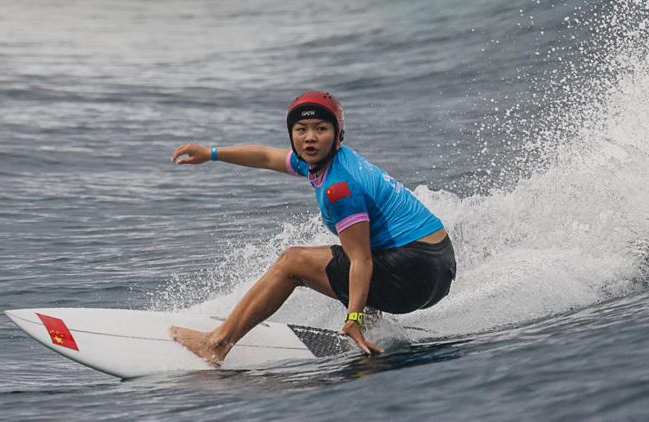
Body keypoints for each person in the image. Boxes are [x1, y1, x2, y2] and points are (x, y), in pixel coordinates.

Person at [169, 91, 456, 366]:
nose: (310, 138)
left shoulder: (339, 186)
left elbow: (361, 260)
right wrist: (211, 153)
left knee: (292, 262)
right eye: (301, 129)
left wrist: (352, 318)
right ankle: (372, 327)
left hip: (413, 274)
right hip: (439, 265)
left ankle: (216, 345)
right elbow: (266, 157)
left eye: (321, 128)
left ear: (337, 135)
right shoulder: (321, 161)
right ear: (292, 134)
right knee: (362, 247)